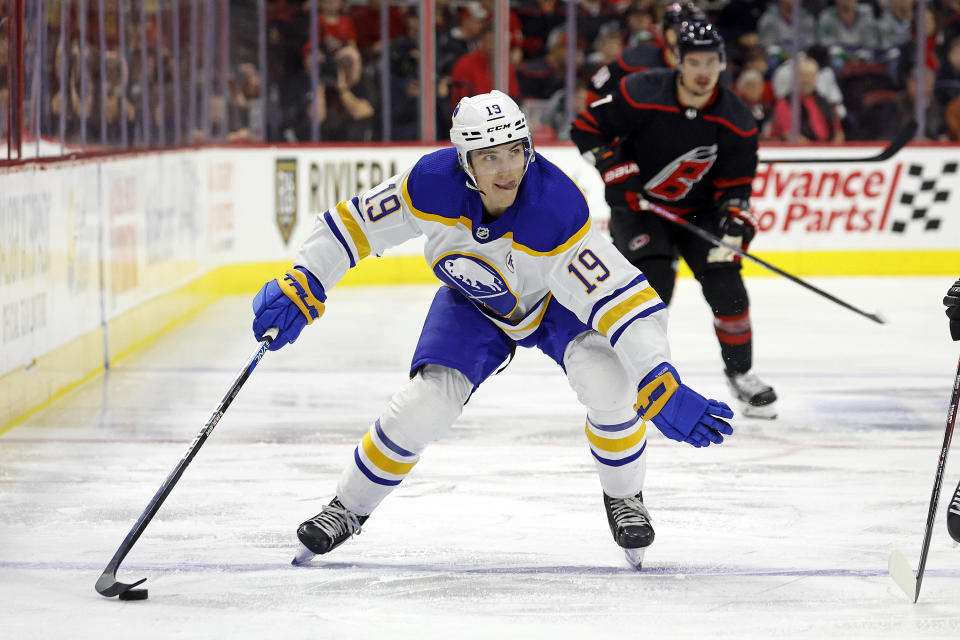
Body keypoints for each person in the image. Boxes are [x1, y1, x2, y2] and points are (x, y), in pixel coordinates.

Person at [251, 90, 734, 568]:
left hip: (553, 302)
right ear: (464, 162)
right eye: (489, 156)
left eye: (515, 151)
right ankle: (346, 507)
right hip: (473, 299)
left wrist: (658, 374)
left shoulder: (556, 212)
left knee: (609, 382)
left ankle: (625, 497)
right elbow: (354, 224)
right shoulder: (430, 185)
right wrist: (306, 277)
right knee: (427, 403)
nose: (507, 169)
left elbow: (625, 299)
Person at [569, 21, 778, 419]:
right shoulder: (639, 91)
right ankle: (632, 377)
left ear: (722, 65)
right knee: (650, 286)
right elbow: (585, 129)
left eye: (711, 62)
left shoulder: (737, 119)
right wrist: (616, 170)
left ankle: (742, 374)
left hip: (701, 213)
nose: (703, 71)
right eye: (694, 61)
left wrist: (734, 224)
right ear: (678, 61)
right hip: (640, 209)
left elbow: (736, 188)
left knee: (728, 287)